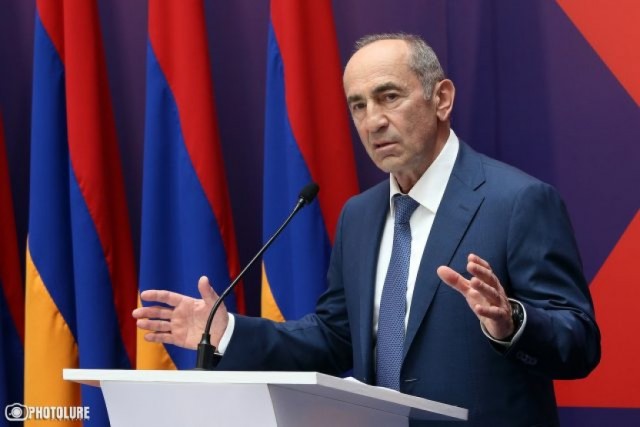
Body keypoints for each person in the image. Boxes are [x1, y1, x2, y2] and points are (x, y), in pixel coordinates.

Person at [133, 33, 600, 426]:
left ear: (441, 99)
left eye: (389, 97)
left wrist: (511, 321)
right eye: (358, 106)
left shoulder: (517, 202)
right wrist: (228, 331)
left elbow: (579, 343)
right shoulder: (359, 215)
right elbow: (334, 340)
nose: (373, 121)